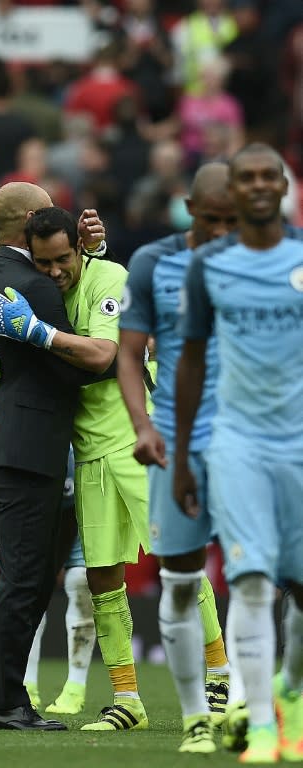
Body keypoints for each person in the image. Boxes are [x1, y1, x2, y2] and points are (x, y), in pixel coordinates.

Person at [0, 205, 151, 733]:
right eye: (46, 262)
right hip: (56, 449)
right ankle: (18, 700)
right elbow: (78, 357)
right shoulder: (25, 284)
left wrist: (28, 338)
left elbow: (100, 352)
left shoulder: (88, 275)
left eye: (65, 260)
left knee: (171, 566)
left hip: (109, 441)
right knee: (64, 580)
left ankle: (217, 685)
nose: (55, 271)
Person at [173, 143, 303, 764]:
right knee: (251, 583)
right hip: (238, 443)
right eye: (244, 177)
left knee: (301, 589)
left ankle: (289, 696)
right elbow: (192, 360)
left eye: (264, 177)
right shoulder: (211, 268)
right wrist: (179, 457)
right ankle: (260, 730)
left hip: (300, 444)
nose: (255, 186)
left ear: (281, 185)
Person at [0, 182, 104, 731]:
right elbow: (76, 370)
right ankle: (0, 702)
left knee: (23, 578)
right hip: (32, 449)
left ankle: (1, 697)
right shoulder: (35, 286)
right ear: (31, 220)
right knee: (25, 580)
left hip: (12, 444)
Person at [116, 162, 237, 754]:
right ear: (189, 207)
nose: (218, 230)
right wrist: (143, 424)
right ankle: (195, 717)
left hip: (248, 442)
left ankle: (259, 703)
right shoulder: (152, 264)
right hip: (175, 441)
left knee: (264, 577)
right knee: (182, 581)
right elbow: (129, 353)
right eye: (209, 218)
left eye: (230, 220)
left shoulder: (271, 262)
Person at [0, 429, 96, 715]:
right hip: (23, 513)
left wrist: (50, 569)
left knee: (79, 582)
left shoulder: (71, 454)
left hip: (78, 508)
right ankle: (26, 683)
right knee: (25, 588)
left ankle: (75, 687)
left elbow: (66, 512)